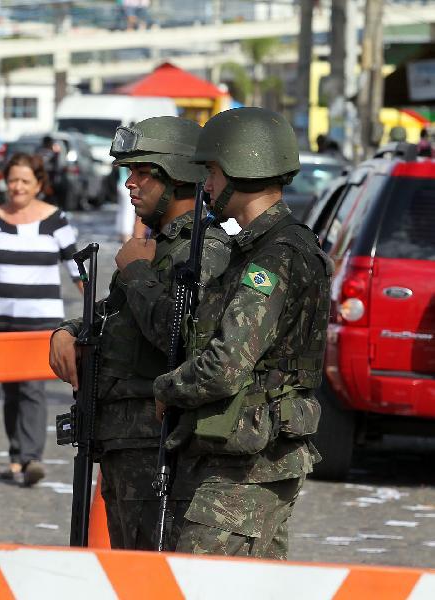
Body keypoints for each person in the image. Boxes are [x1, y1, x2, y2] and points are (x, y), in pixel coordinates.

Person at [152, 107, 332, 559]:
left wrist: (167, 389)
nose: (207, 184)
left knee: (197, 582)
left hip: (246, 467)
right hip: (245, 457)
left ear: (241, 169)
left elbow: (224, 367)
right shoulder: (258, 248)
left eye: (212, 172)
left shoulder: (273, 257)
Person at [49, 117, 231, 550]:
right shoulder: (157, 246)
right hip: (124, 442)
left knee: (152, 572)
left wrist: (135, 271)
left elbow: (180, 337)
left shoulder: (205, 251)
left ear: (177, 175)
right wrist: (67, 331)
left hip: (160, 448)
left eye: (143, 172)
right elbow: (114, 315)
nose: (130, 183)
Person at [0, 153, 82, 486]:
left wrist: (97, 309)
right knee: (11, 390)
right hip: (1, 320)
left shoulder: (56, 220)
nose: (18, 187)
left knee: (32, 388)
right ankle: (16, 457)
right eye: (13, 180)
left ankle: (31, 457)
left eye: (25, 181)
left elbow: (77, 270)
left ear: (38, 184)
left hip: (41, 322)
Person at [36, 135, 66, 209]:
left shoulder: (38, 152)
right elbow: (59, 166)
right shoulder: (52, 153)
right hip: (48, 178)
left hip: (46, 178)